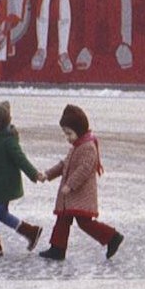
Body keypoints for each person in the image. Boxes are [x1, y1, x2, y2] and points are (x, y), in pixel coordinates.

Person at [41, 105, 124, 261]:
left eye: (69, 133)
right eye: (65, 134)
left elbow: (84, 169)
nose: (67, 137)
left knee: (84, 222)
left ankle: (112, 237)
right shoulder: (77, 145)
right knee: (63, 219)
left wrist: (70, 185)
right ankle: (57, 249)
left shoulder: (87, 147)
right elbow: (64, 164)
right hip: (71, 195)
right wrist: (47, 174)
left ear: (79, 130)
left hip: (80, 194)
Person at [0, 101, 45, 257]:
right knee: (1, 214)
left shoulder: (8, 140)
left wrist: (33, 173)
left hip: (3, 186)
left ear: (1, 121)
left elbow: (20, 159)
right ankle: (31, 232)